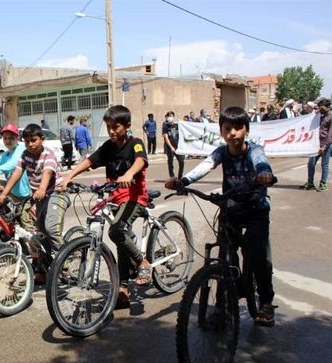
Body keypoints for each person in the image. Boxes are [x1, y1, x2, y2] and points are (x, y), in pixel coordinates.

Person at [165, 106, 277, 327]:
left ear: (246, 129)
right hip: (231, 210)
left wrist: (264, 174)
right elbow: (204, 166)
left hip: (256, 210)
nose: (232, 133)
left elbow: (262, 163)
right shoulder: (221, 152)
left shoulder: (253, 151)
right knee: (225, 255)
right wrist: (183, 181)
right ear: (221, 130)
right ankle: (223, 304)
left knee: (257, 254)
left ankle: (265, 301)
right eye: (227, 128)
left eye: (238, 128)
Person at [60, 105, 150, 308]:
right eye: (108, 126)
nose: (111, 131)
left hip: (135, 197)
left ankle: (142, 262)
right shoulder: (109, 146)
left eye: (115, 127)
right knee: (121, 238)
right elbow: (91, 161)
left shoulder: (135, 143)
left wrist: (129, 174)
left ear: (126, 126)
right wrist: (69, 176)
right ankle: (123, 289)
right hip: (116, 197)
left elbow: (141, 161)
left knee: (116, 231)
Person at [0, 123, 70, 284]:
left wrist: (42, 189)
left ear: (42, 140)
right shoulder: (25, 155)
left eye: (34, 140)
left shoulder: (48, 155)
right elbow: (17, 173)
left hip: (57, 193)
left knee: (51, 229)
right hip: (40, 197)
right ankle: (42, 271)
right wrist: (4, 193)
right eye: (27, 141)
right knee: (40, 234)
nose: (31, 144)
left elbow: (47, 173)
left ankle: (63, 261)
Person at [300, 98, 331, 192]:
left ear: (327, 107)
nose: (320, 107)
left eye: (322, 105)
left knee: (324, 164)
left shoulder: (330, 117)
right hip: (315, 144)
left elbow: (330, 134)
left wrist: (324, 146)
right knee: (311, 163)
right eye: (320, 105)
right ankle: (310, 183)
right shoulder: (318, 116)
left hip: (326, 144)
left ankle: (323, 184)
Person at [162, 111, 185, 178]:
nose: (170, 118)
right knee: (170, 163)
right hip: (170, 148)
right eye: (169, 116)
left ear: (174, 117)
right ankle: (172, 176)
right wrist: (171, 147)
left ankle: (180, 176)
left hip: (178, 147)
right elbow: (166, 138)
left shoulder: (177, 125)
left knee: (181, 161)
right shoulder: (165, 126)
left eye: (171, 116)